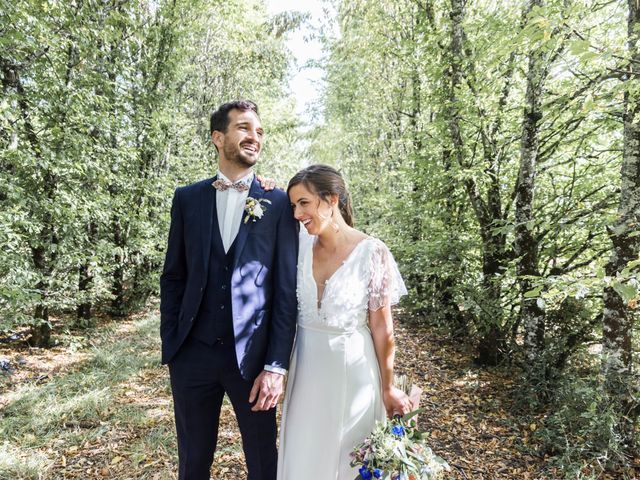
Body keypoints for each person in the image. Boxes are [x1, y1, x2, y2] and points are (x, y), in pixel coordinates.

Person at [159, 100, 298, 480]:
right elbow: (173, 276)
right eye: (244, 128)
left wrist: (275, 365)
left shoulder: (279, 201)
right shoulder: (187, 199)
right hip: (192, 356)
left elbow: (286, 289)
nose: (254, 137)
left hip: (253, 363)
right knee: (193, 461)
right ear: (218, 138)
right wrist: (172, 343)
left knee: (262, 463)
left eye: (259, 130)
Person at [277, 164, 412, 479]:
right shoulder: (295, 245)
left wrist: (389, 387)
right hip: (305, 369)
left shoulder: (373, 252)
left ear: (331, 199)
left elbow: (382, 327)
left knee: (349, 460)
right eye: (293, 205)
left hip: (355, 372)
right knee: (304, 453)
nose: (297, 213)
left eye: (304, 203)